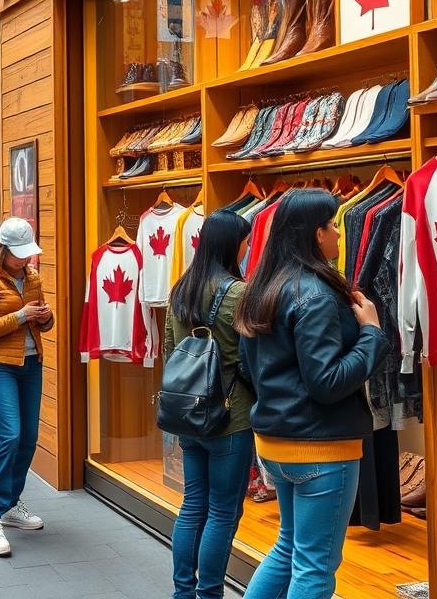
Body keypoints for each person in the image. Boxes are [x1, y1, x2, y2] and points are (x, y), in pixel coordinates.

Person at [237, 189, 388, 599]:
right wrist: (371, 334)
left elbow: (249, 368)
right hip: (320, 448)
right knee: (315, 565)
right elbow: (327, 382)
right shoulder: (317, 294)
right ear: (316, 234)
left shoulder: (263, 287)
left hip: (276, 441)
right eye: (333, 226)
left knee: (289, 548)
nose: (339, 234)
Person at [164, 210, 254, 599]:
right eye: (245, 240)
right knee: (223, 511)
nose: (248, 246)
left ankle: (184, 592)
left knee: (193, 504)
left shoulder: (182, 287)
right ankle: (209, 593)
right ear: (232, 244)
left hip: (188, 414)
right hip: (230, 415)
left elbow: (170, 349)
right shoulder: (238, 292)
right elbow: (252, 359)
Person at [0, 217, 52, 557]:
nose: (24, 260)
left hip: (32, 365)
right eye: (18, 255)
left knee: (29, 437)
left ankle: (9, 503)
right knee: (10, 435)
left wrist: (44, 317)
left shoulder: (33, 277)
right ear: (2, 250)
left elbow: (44, 325)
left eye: (27, 254)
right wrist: (22, 315)